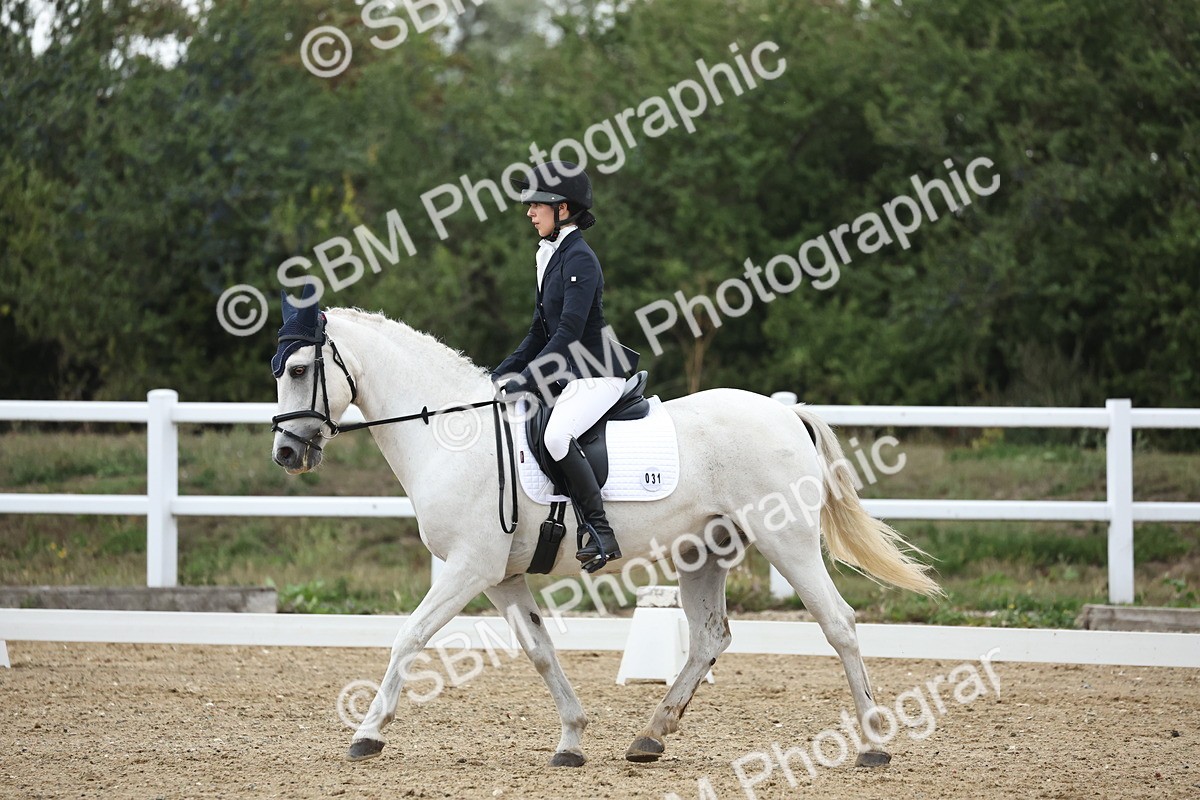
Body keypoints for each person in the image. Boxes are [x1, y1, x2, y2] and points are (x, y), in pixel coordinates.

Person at [491, 161, 636, 572]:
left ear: (564, 210)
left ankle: (600, 531)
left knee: (557, 437)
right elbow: (540, 330)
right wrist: (501, 374)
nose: (529, 212)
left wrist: (531, 378)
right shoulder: (549, 256)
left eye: (537, 204)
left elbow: (569, 332)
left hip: (598, 372)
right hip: (571, 372)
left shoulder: (580, 260)